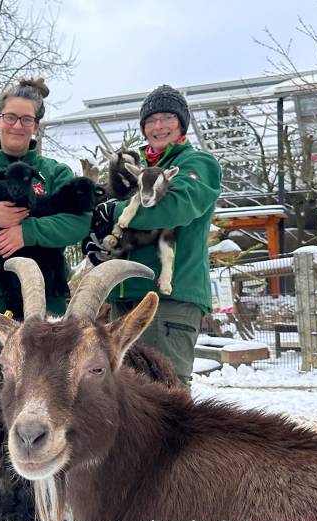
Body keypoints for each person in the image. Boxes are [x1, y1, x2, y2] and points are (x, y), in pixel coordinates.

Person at [0, 78, 91, 515]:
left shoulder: (56, 175)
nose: (16, 125)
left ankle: (53, 483)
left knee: (50, 395)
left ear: (36, 127)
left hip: (44, 310)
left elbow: (77, 223)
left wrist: (25, 231)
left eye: (25, 119)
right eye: (9, 117)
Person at [86, 84, 222, 385]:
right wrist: (100, 244)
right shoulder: (139, 171)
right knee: (128, 396)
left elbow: (175, 206)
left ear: (181, 123)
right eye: (150, 121)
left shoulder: (195, 163)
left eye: (167, 118)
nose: (158, 126)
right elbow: (123, 226)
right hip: (127, 297)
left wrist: (117, 211)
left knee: (165, 391)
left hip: (167, 299)